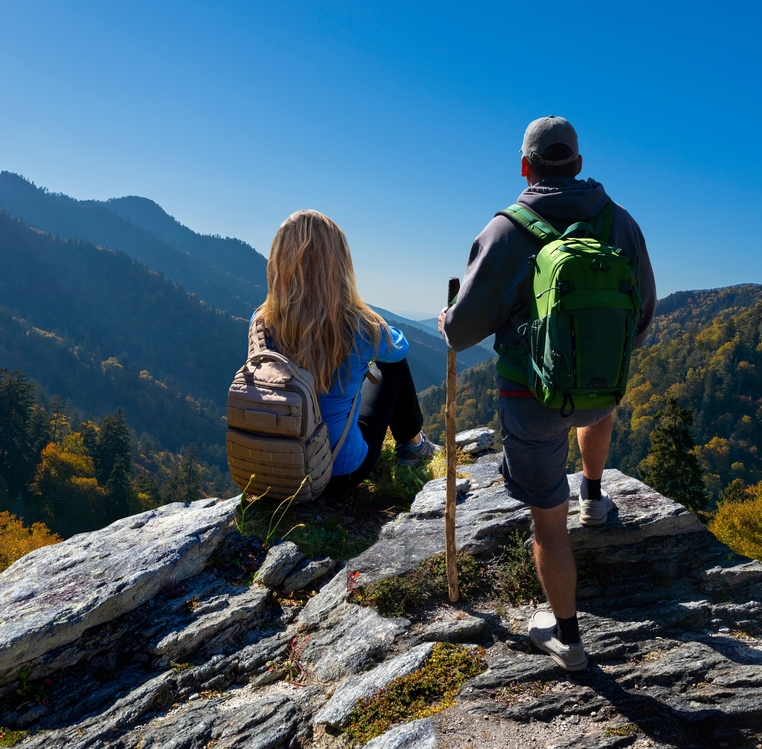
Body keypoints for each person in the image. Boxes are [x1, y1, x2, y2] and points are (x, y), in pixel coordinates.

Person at [439, 116, 655, 671]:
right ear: (579, 165)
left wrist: (446, 320)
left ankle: (568, 639)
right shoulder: (620, 223)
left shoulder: (506, 232)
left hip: (529, 400)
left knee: (546, 525)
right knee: (595, 404)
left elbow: (463, 332)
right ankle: (594, 495)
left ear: (525, 166)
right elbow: (643, 314)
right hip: (602, 389)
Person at [259, 209, 439, 499]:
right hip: (338, 472)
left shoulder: (262, 322)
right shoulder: (355, 324)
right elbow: (399, 348)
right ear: (338, 263)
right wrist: (362, 312)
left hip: (277, 470)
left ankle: (414, 445)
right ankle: (415, 446)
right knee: (393, 366)